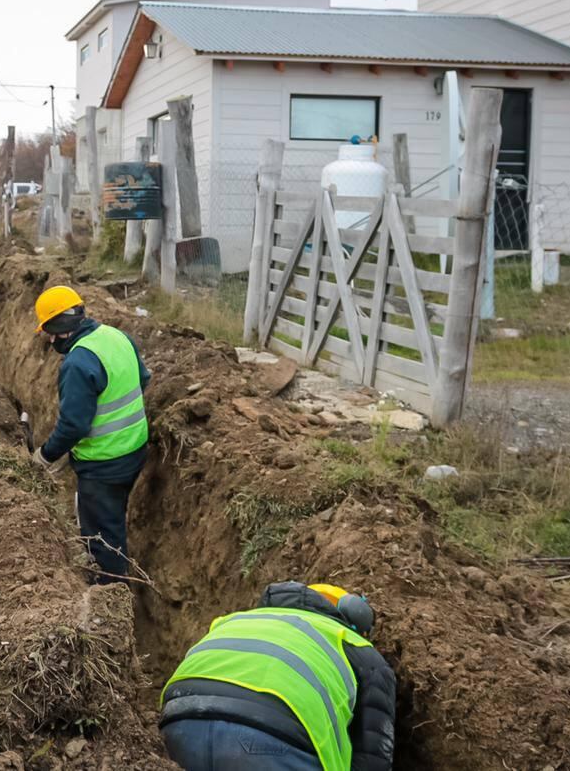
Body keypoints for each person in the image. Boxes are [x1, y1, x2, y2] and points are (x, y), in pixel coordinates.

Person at [159, 581, 396, 771]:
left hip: (180, 722)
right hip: (274, 739)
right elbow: (374, 754)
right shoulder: (351, 642)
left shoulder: (232, 622)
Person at [30, 286, 150, 584]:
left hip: (102, 465)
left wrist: (45, 455)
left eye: (49, 330)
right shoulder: (116, 336)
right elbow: (143, 379)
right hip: (135, 450)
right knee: (115, 518)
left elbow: (74, 425)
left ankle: (110, 590)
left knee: (101, 535)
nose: (49, 338)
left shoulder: (78, 363)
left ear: (59, 327)